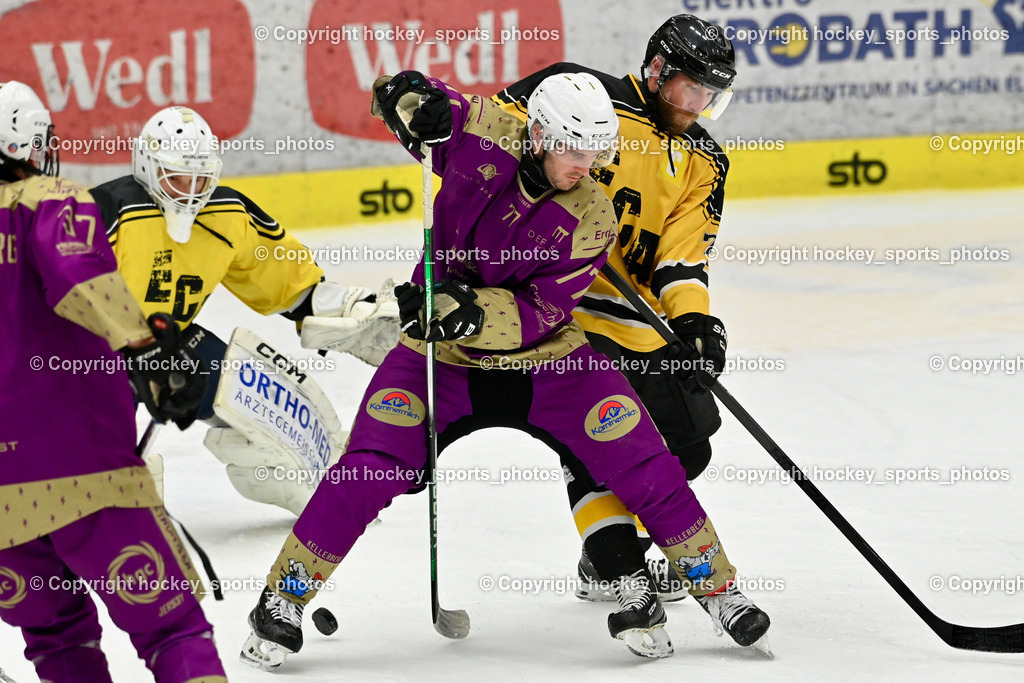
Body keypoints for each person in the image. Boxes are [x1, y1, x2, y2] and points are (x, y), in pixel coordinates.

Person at [239, 69, 768, 671]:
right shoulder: (491, 133)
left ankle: (719, 590)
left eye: (597, 151)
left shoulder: (593, 214)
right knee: (369, 468)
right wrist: (409, 99)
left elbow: (541, 311)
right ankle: (283, 596)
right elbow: (427, 111)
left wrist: (464, 309)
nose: (585, 164)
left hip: (549, 362)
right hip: (439, 358)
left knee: (644, 458)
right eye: (573, 148)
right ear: (539, 133)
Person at [494, 13, 745, 621]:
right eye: (690, 90)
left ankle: (611, 550)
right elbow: (485, 133)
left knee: (690, 445)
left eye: (711, 97)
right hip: (565, 312)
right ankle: (613, 559)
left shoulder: (704, 160)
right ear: (657, 71)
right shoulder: (580, 94)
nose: (696, 107)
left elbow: (682, 256)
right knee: (597, 438)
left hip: (639, 321)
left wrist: (694, 322)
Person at [0, 80, 226, 682]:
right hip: (83, 471)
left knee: (56, 642)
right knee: (171, 625)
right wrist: (149, 350)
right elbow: (79, 282)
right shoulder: (46, 199)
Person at [90, 106, 400, 513]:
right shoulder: (106, 214)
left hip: (170, 344)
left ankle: (327, 492)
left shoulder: (227, 215)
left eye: (202, 176)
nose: (191, 188)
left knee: (276, 412)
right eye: (179, 175)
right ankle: (102, 510)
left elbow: (286, 282)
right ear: (148, 168)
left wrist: (349, 310)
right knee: (101, 456)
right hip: (91, 353)